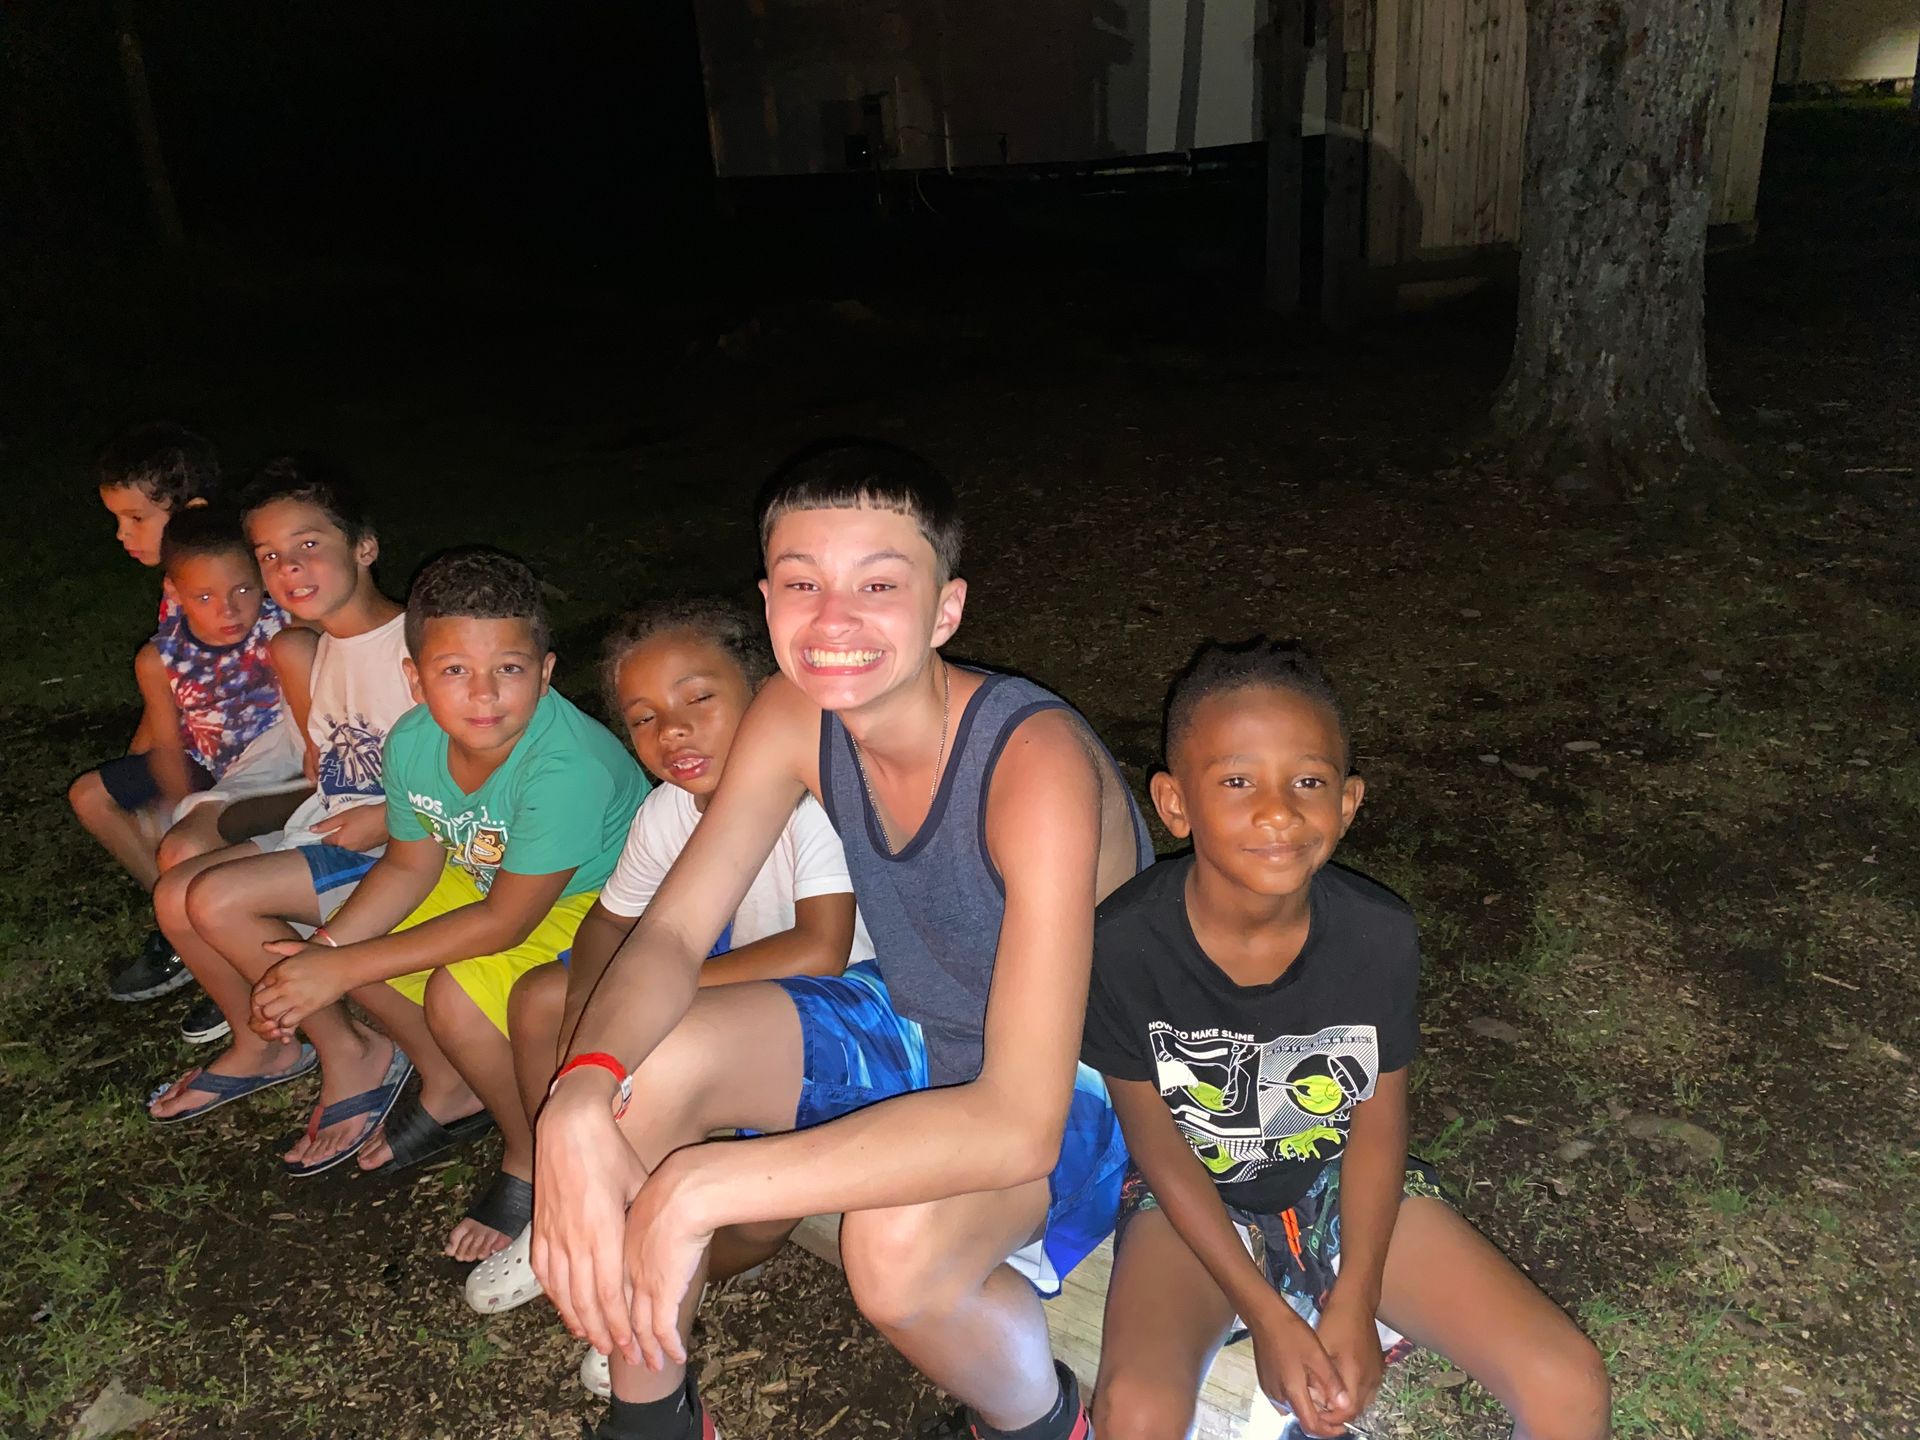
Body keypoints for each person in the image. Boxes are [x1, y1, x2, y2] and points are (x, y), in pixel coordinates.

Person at [533, 439, 1152, 1440]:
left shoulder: (1030, 764)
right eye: (801, 584)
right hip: (910, 1014)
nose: (833, 622)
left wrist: (700, 1183)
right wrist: (582, 1088)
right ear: (767, 601)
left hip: (1084, 1083)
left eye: (878, 584)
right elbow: (676, 929)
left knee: (894, 1253)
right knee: (644, 1072)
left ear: (945, 608)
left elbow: (1019, 1121)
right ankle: (651, 1420)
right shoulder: (790, 712)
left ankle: (1040, 1421)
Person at [1080, 640, 1610, 1440]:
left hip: (1339, 1178)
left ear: (1349, 801)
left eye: (1309, 781)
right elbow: (1155, 1142)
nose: (1279, 810)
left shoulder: (1377, 935)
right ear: (1174, 802)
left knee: (1567, 1381)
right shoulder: (1121, 946)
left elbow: (1377, 1118)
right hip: (1191, 1198)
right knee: (1135, 1412)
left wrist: (1356, 1296)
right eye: (1236, 780)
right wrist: (1265, 1315)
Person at [467, 598, 872, 1368]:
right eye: (645, 717)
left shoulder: (816, 798)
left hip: (830, 1026)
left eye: (698, 699)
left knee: (750, 1229)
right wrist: (592, 1008)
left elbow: (821, 949)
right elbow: (606, 926)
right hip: (733, 993)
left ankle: (650, 1278)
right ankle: (561, 1206)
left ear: (765, 694)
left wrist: (662, 1000)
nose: (672, 732)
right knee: (541, 999)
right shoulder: (667, 811)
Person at [249, 546, 649, 1255]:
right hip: (500, 883)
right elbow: (408, 867)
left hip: (600, 902)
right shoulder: (413, 742)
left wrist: (336, 970)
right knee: (357, 939)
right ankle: (464, 1083)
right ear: (414, 678)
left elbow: (508, 921)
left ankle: (531, 1158)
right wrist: (324, 955)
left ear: (547, 672)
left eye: (510, 670)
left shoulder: (565, 768)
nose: (484, 696)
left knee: (457, 995)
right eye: (454, 671)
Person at [146, 461, 411, 1143]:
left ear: (365, 546)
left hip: (403, 845)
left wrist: (382, 816)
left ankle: (356, 1052)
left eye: (308, 546)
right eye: (270, 556)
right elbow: (322, 766)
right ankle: (265, 1041)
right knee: (175, 892)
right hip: (331, 830)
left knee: (213, 898)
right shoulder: (296, 648)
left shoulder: (419, 643)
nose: (289, 568)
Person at [72, 422, 227, 1004]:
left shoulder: (234, 590)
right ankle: (186, 933)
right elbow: (170, 691)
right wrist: (145, 764)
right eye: (117, 519)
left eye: (136, 519)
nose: (121, 534)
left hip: (242, 759)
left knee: (175, 828)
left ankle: (219, 936)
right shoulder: (175, 585)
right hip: (191, 749)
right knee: (96, 796)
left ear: (193, 513)